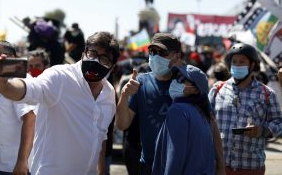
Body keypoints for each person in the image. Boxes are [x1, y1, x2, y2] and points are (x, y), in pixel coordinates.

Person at [0, 32, 120, 175]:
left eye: (104, 59)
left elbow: (100, 137)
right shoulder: (60, 77)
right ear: (83, 54)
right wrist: (4, 86)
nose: (95, 61)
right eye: (92, 53)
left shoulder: (109, 93)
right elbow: (31, 89)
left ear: (112, 68)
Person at [116, 33, 225, 175]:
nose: (154, 56)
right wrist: (124, 96)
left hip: (183, 168)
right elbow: (122, 124)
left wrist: (221, 166)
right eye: (152, 52)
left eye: (162, 52)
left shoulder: (189, 83)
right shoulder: (140, 83)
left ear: (177, 57)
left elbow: (212, 125)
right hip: (148, 166)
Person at [209, 43, 282, 175]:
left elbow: (278, 123)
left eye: (242, 62)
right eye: (234, 61)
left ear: (252, 65)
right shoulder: (217, 90)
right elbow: (205, 121)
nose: (237, 65)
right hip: (219, 166)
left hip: (251, 167)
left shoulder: (267, 93)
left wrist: (263, 130)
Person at [0, 41, 36, 175]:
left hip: (12, 167)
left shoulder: (20, 81)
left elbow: (30, 119)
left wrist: (22, 162)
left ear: (13, 58)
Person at [152, 65, 215, 175]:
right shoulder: (203, 113)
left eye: (181, 80)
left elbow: (175, 159)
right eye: (175, 78)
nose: (175, 82)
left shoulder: (178, 110)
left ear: (196, 90)